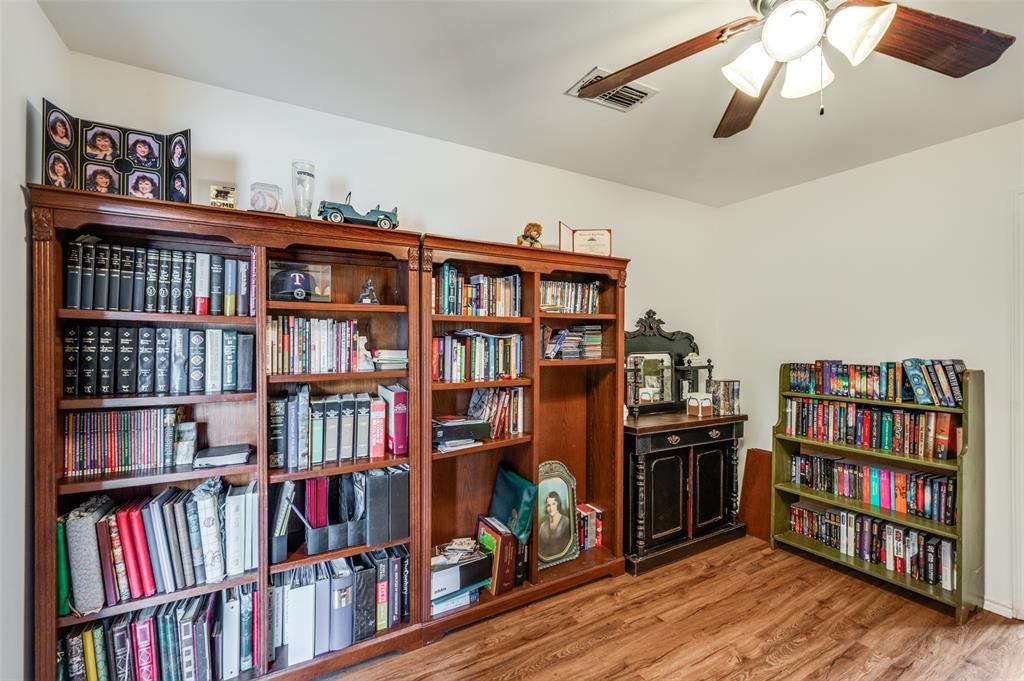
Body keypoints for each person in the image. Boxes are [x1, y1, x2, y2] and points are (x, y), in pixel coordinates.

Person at [538, 490, 571, 559]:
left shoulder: (566, 522)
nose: (551, 508)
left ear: (558, 504)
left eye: (553, 504)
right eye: (548, 505)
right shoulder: (543, 526)